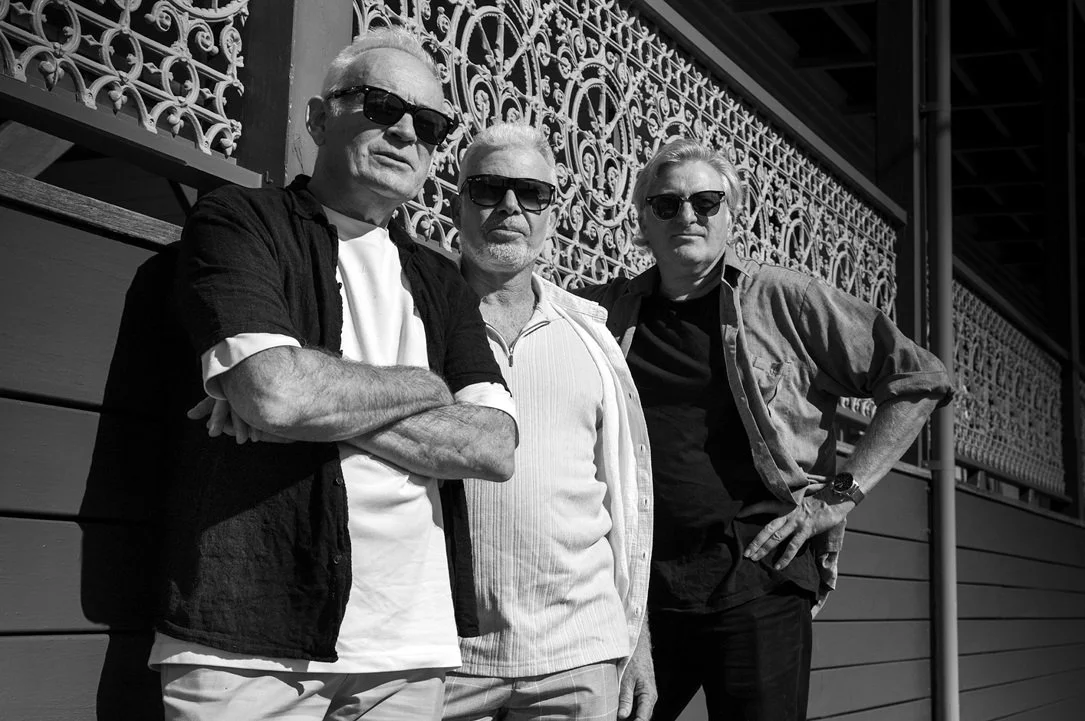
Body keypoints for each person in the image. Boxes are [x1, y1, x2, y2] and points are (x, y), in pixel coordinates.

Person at [153, 28, 517, 720]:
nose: (406, 132)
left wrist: (318, 402)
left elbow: (494, 446)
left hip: (408, 649)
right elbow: (277, 392)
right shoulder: (240, 219)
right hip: (250, 638)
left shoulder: (443, 281)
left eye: (429, 124)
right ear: (319, 119)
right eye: (382, 106)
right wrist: (426, 386)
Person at [578, 137, 954, 721]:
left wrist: (839, 496)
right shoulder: (605, 314)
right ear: (642, 221)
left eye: (706, 202)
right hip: (642, 589)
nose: (687, 216)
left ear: (731, 215)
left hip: (760, 575)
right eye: (666, 204)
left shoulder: (785, 299)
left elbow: (918, 379)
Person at [440, 122, 656, 721]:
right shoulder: (417, 316)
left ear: (551, 216)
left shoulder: (592, 337)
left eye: (532, 193)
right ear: (457, 203)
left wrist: (633, 638)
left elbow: (624, 506)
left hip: (579, 657)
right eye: (489, 188)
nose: (511, 206)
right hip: (445, 658)